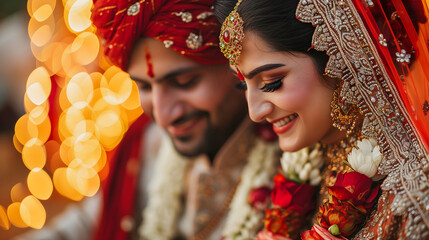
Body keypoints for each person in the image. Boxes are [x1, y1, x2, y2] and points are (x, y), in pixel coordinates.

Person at [16, 0, 280, 239]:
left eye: (184, 82)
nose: (164, 116)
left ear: (237, 66)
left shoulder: (297, 163)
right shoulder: (146, 143)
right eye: (143, 86)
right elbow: (84, 224)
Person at [215, 0, 429, 239]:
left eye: (272, 83)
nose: (255, 113)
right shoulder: (297, 165)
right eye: (243, 84)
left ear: (341, 60)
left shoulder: (413, 190)